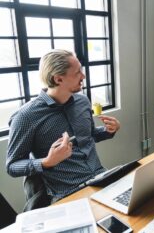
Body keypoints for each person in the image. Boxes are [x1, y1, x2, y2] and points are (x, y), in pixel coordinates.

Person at [6, 49, 120, 203]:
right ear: (58, 79)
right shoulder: (26, 117)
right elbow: (12, 166)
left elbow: (88, 136)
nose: (83, 76)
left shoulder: (83, 101)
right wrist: (47, 162)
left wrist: (108, 131)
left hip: (101, 178)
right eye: (77, 72)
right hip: (68, 194)